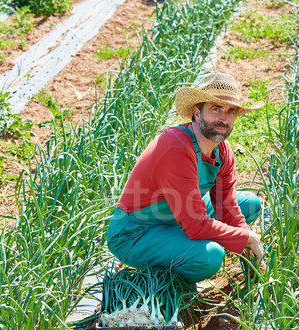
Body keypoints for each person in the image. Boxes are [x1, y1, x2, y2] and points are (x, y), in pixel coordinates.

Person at [107, 72, 264, 283]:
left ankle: (181, 247)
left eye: (231, 111)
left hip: (179, 217)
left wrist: (252, 258)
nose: (223, 118)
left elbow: (227, 209)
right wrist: (246, 237)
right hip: (137, 231)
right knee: (209, 257)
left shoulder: (222, 151)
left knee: (250, 204)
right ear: (197, 113)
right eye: (215, 109)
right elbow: (195, 224)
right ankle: (170, 284)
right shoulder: (175, 146)